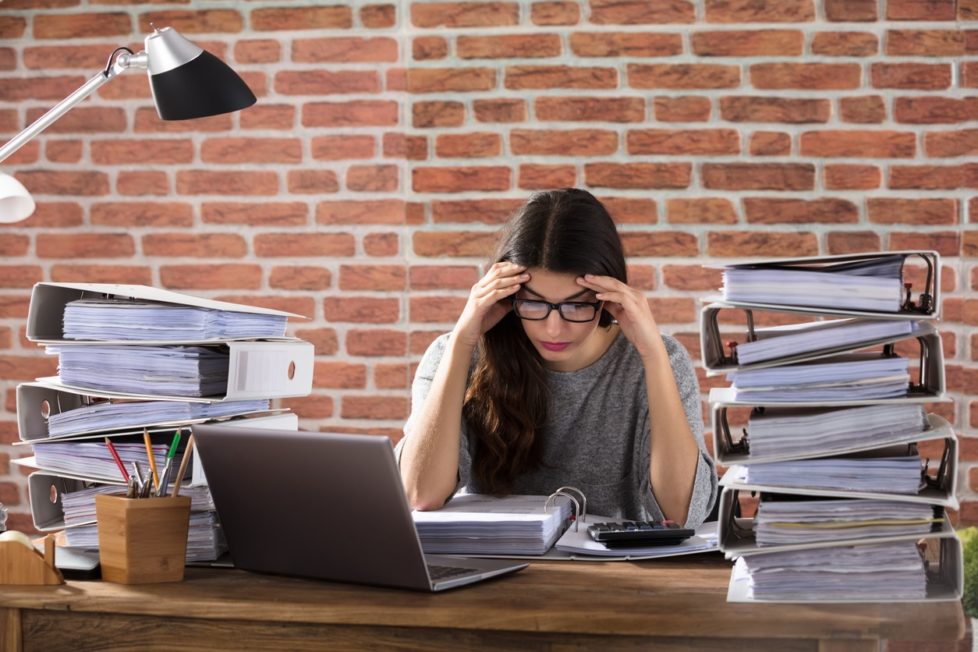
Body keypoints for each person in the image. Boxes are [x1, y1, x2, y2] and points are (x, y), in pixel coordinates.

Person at [396, 188, 717, 527]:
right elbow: (420, 494)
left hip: (615, 576)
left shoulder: (659, 360)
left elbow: (684, 514)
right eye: (533, 303)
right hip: (486, 568)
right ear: (506, 296)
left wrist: (653, 355)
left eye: (576, 305)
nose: (553, 329)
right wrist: (462, 341)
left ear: (609, 297)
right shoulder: (454, 354)